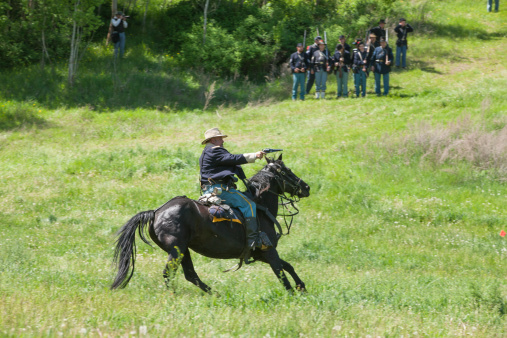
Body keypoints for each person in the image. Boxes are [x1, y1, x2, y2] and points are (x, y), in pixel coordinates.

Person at [199, 128, 272, 261]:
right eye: (220, 138)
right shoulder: (215, 150)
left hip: (209, 190)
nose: (222, 140)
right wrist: (254, 155)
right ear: (213, 140)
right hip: (220, 190)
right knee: (249, 205)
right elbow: (233, 158)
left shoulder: (206, 153)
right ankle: (253, 241)